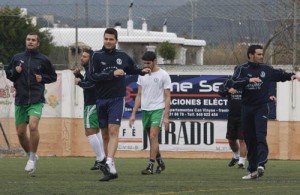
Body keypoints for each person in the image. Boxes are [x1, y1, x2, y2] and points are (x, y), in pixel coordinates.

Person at [89, 28, 151, 181]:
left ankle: (108, 161)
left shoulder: (122, 56)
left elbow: (131, 69)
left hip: (117, 98)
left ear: (116, 40)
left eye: (111, 39)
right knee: (104, 134)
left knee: (113, 130)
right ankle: (112, 169)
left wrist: (142, 71)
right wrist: (112, 74)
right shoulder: (96, 56)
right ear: (103, 39)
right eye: (106, 39)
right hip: (100, 99)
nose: (108, 41)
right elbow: (92, 76)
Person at [232, 44, 300, 180]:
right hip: (246, 108)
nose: (261, 56)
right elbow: (234, 83)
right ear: (250, 55)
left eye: (262, 54)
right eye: (259, 54)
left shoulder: (266, 69)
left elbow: (280, 75)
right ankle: (252, 170)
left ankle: (261, 163)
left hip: (261, 107)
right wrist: (249, 80)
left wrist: (293, 76)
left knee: (260, 136)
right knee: (250, 140)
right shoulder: (241, 69)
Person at [5, 32, 57, 175]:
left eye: (33, 40)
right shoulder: (17, 58)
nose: (30, 42)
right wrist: (15, 71)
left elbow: (53, 76)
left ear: (38, 43)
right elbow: (9, 74)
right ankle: (30, 155)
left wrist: (43, 78)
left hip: (36, 99)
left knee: (33, 126)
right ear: (25, 41)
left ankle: (32, 158)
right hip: (21, 99)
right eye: (28, 39)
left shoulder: (43, 59)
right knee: (21, 133)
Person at [129, 51, 171, 175]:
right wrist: (133, 114)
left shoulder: (163, 75)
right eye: (145, 63)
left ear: (154, 61)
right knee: (151, 138)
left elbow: (168, 96)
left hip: (158, 109)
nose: (146, 65)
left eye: (148, 63)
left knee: (153, 136)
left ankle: (150, 165)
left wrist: (166, 117)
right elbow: (139, 94)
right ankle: (159, 161)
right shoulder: (142, 75)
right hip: (145, 110)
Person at [73, 49, 106, 170]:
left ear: (91, 59)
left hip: (92, 103)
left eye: (85, 56)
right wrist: (79, 76)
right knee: (96, 131)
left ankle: (101, 158)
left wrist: (79, 83)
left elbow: (93, 85)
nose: (82, 58)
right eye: (82, 56)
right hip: (94, 103)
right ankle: (101, 158)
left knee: (89, 132)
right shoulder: (89, 70)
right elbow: (89, 81)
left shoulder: (93, 69)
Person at [218, 77, 247, 169]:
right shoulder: (229, 81)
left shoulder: (247, 82)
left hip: (244, 116)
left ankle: (241, 162)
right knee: (231, 140)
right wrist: (228, 91)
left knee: (242, 140)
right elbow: (220, 92)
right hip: (232, 116)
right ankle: (236, 156)